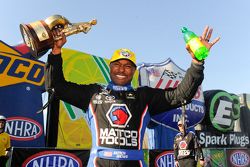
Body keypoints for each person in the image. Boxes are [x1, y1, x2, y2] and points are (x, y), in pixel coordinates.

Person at [47, 26, 220, 167]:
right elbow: (57, 87)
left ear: (134, 71)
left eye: (128, 66)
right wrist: (56, 51)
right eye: (117, 64)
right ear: (110, 67)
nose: (122, 69)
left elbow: (182, 94)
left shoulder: (144, 96)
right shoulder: (93, 93)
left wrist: (197, 63)